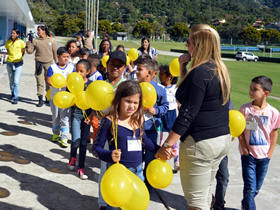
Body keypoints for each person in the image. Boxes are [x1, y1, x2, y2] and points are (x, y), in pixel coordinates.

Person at [155, 24, 232, 210]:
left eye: (189, 41)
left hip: (200, 142)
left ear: (198, 45)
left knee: (197, 204)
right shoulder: (219, 69)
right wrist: (183, 66)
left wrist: (167, 145)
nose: (186, 44)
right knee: (205, 195)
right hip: (220, 140)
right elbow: (189, 93)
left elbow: (187, 113)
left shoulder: (200, 73)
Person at [93, 80, 158, 210]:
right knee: (115, 206)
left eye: (135, 103)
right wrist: (109, 155)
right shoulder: (109, 121)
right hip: (117, 175)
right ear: (119, 100)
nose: (131, 106)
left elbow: (144, 140)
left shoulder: (137, 120)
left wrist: (159, 150)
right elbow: (96, 148)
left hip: (137, 172)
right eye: (128, 101)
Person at [239, 76, 280, 210]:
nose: (250, 92)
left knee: (255, 189)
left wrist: (270, 153)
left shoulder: (273, 112)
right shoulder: (245, 109)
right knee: (250, 188)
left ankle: (246, 204)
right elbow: (239, 131)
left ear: (266, 93)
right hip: (249, 156)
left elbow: (274, 133)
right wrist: (245, 148)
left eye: (254, 89)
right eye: (250, 88)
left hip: (264, 158)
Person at [136, 55, 168, 188]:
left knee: (150, 156)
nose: (136, 72)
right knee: (136, 157)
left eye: (139, 69)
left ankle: (148, 185)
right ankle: (136, 182)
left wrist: (156, 110)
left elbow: (165, 107)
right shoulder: (134, 87)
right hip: (136, 129)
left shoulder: (160, 90)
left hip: (152, 130)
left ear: (149, 73)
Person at [46, 47, 75, 148]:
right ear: (58, 57)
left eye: (68, 56)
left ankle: (64, 138)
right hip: (54, 97)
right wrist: (57, 83)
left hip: (66, 98)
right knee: (55, 117)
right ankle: (55, 133)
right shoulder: (52, 67)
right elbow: (48, 80)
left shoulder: (71, 68)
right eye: (64, 57)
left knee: (65, 118)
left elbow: (74, 81)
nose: (66, 59)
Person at [68, 59, 92, 180]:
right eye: (77, 70)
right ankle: (73, 157)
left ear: (87, 72)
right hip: (76, 115)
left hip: (87, 117)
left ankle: (81, 168)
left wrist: (91, 116)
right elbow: (68, 96)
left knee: (83, 143)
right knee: (76, 140)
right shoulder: (72, 82)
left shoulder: (91, 85)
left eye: (81, 71)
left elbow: (95, 102)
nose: (78, 73)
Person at [26, 25, 57, 107]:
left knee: (49, 82)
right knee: (40, 82)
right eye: (37, 30)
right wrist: (28, 45)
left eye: (39, 30)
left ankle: (48, 98)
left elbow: (55, 53)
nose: (38, 31)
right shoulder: (36, 41)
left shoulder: (52, 40)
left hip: (49, 64)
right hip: (39, 64)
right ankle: (40, 100)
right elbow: (30, 51)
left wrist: (57, 64)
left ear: (44, 31)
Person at [158, 65, 179, 172]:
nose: (159, 76)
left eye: (162, 74)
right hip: (162, 114)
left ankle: (176, 160)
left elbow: (179, 103)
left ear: (169, 77)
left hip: (172, 115)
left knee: (173, 138)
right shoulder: (158, 87)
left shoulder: (175, 88)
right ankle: (158, 157)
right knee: (159, 137)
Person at [5, 28, 25, 104]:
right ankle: (13, 93)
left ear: (17, 34)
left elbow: (23, 52)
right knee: (11, 81)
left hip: (18, 64)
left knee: (16, 81)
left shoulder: (21, 42)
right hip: (9, 63)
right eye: (11, 33)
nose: (12, 34)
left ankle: (15, 97)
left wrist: (18, 58)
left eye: (14, 33)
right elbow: (8, 51)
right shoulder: (8, 42)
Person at [87, 54, 103, 144]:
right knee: (86, 121)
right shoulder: (85, 74)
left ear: (92, 64)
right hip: (86, 102)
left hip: (95, 104)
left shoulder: (98, 76)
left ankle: (96, 141)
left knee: (95, 123)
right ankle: (87, 138)